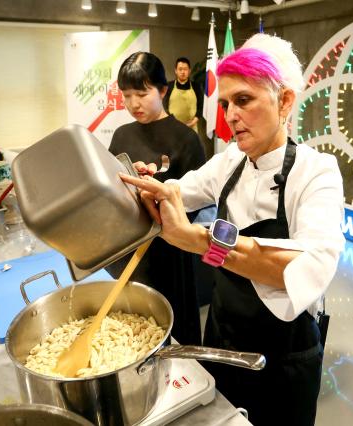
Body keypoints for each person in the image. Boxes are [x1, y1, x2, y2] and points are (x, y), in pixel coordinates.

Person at [119, 34, 345, 426]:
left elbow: (305, 267)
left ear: (285, 101)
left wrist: (197, 240)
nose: (229, 116)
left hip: (284, 357)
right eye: (224, 104)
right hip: (223, 335)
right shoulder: (230, 162)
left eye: (244, 100)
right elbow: (178, 191)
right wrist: (148, 186)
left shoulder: (317, 172)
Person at [108, 51, 206, 345]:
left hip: (170, 252)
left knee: (174, 331)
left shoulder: (186, 140)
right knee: (134, 331)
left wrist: (159, 199)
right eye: (126, 95)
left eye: (142, 92)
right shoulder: (122, 134)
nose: (133, 103)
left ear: (163, 90)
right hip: (130, 249)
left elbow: (199, 207)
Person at [163, 57, 203, 132]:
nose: (183, 72)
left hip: (192, 128)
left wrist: (193, 122)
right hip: (173, 127)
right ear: (176, 71)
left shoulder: (196, 86)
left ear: (189, 71)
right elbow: (165, 107)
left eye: (185, 69)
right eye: (180, 69)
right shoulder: (169, 86)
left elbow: (200, 108)